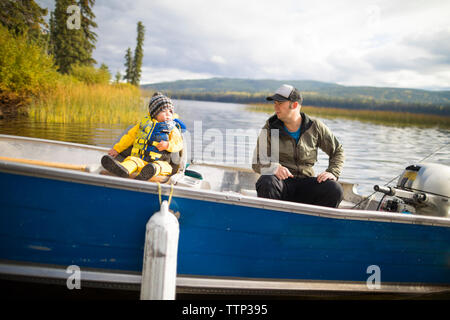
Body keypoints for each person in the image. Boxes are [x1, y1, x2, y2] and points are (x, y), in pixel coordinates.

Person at [252, 84, 345, 208]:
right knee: (266, 181)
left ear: (294, 105)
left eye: (279, 103)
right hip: (281, 184)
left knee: (334, 188)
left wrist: (332, 172)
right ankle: (273, 223)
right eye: (274, 103)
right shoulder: (270, 128)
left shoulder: (315, 127)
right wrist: (273, 168)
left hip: (307, 185)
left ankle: (315, 224)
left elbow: (338, 151)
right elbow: (257, 162)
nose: (275, 107)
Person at [101, 92, 184, 181]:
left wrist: (168, 145)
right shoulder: (142, 125)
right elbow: (129, 137)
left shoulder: (172, 129)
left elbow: (178, 143)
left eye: (170, 111)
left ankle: (149, 172)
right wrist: (117, 149)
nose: (168, 114)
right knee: (132, 161)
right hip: (140, 159)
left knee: (164, 167)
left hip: (160, 161)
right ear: (154, 113)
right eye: (164, 111)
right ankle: (122, 169)